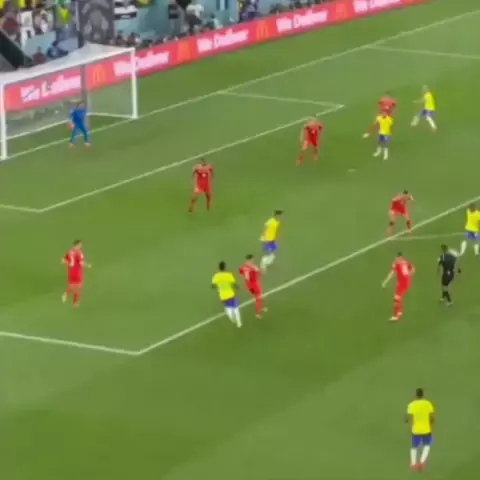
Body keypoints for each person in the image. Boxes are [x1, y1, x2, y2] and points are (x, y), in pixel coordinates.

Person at [406, 388, 434, 471]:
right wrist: (432, 426)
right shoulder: (428, 404)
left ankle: (413, 463)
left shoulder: (411, 405)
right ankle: (421, 462)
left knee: (414, 447)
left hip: (416, 429)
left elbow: (409, 418)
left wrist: (409, 424)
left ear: (416, 395)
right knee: (427, 445)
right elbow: (432, 418)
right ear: (423, 395)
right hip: (426, 429)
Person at [382, 252, 414, 321]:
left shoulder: (396, 264)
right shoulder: (405, 262)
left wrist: (385, 282)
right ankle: (400, 312)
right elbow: (412, 268)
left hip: (403, 283)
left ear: (399, 257)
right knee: (399, 297)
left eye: (396, 258)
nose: (396, 259)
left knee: (396, 298)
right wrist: (409, 275)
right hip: (406, 282)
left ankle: (395, 316)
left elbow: (391, 273)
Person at [211, 261, 241, 327]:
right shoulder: (229, 275)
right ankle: (239, 322)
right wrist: (238, 287)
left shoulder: (216, 276)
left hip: (223, 296)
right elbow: (234, 284)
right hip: (231, 294)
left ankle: (232, 318)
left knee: (228, 308)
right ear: (225, 267)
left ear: (219, 268)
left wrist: (218, 286)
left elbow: (212, 286)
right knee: (236, 308)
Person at [62, 240, 91, 307]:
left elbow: (63, 260)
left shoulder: (69, 252)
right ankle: (68, 296)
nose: (81, 246)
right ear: (78, 245)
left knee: (73, 286)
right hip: (78, 272)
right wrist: (88, 265)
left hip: (71, 273)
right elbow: (81, 263)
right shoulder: (79, 253)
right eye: (80, 244)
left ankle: (74, 302)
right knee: (78, 287)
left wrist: (69, 264)